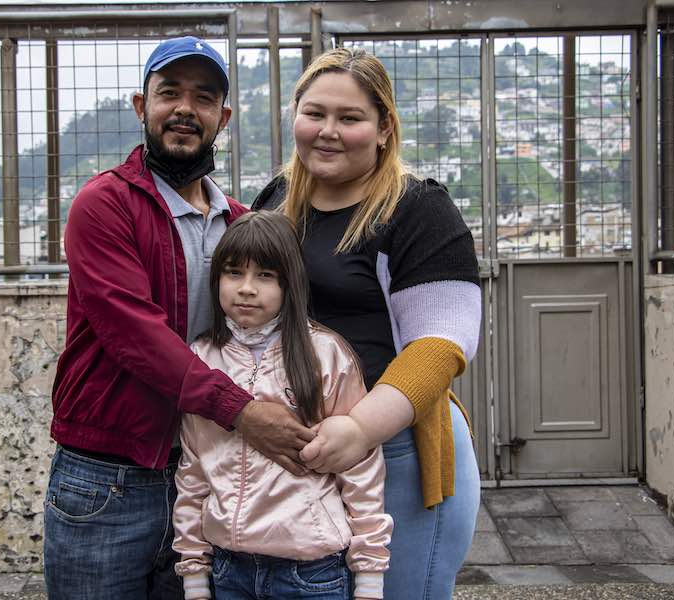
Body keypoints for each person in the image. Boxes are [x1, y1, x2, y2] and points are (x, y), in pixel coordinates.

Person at [44, 37, 315, 600]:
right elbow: (134, 334)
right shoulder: (104, 204)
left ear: (224, 117)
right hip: (108, 476)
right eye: (169, 93)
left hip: (206, 469)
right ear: (142, 107)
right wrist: (242, 411)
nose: (186, 109)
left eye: (204, 97)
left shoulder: (240, 224)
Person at [252, 47, 482, 600]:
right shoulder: (276, 201)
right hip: (304, 453)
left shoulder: (416, 209)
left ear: (383, 129)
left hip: (397, 449)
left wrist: (359, 430)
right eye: (315, 113)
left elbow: (441, 343)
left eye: (350, 118)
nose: (328, 132)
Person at [173, 211, 393, 600]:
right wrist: (194, 574)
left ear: (290, 283)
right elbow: (193, 471)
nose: (246, 288)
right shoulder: (201, 361)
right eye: (233, 273)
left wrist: (370, 577)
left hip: (313, 572)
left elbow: (361, 470)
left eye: (265, 276)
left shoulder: (325, 354)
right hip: (229, 570)